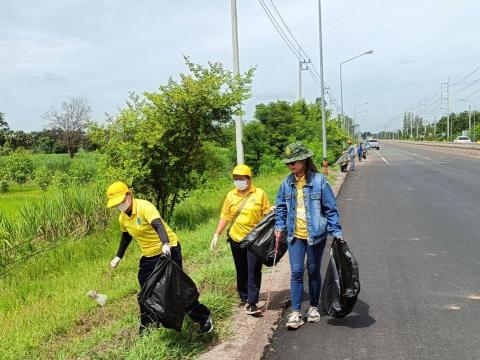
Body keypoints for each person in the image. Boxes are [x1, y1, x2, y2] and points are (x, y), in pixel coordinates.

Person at [106, 181, 213, 335]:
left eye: (121, 201)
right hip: (149, 256)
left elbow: (158, 225)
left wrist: (165, 244)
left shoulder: (144, 207)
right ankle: (148, 329)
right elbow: (126, 235)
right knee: (146, 293)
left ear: (129, 195)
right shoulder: (123, 218)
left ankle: (203, 318)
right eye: (116, 204)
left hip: (168, 250)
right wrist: (118, 256)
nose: (119, 206)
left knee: (175, 289)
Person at [274, 142, 343, 330]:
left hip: (316, 236)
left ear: (304, 160)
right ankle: (295, 312)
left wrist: (336, 232)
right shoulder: (286, 184)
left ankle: (313, 307)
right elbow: (280, 207)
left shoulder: (319, 181)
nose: (290, 166)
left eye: (293, 162)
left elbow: (330, 209)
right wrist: (279, 226)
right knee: (296, 273)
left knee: (313, 271)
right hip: (295, 236)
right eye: (288, 164)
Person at [210, 165, 271, 316]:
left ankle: (252, 302)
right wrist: (216, 234)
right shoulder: (230, 196)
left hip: (254, 239)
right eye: (236, 179)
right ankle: (244, 297)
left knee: (253, 269)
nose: (238, 181)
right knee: (241, 269)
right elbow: (225, 216)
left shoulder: (260, 194)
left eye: (241, 179)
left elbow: (267, 213)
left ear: (249, 179)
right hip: (235, 237)